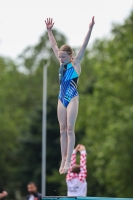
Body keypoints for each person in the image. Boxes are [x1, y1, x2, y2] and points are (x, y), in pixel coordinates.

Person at [45, 17, 95, 174]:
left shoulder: (76, 63)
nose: (60, 59)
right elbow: (53, 45)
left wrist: (90, 28)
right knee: (62, 129)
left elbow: (85, 45)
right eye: (59, 57)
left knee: (70, 128)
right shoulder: (61, 64)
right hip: (61, 97)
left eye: (63, 57)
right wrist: (49, 30)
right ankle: (63, 159)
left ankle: (68, 161)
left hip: (72, 96)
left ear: (70, 56)